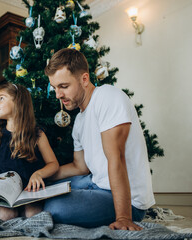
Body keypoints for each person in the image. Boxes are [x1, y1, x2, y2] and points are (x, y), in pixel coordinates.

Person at [43, 48, 155, 230]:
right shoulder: (79, 120)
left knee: (55, 207)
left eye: (63, 87)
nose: (58, 95)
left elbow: (116, 158)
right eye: (55, 88)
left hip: (128, 201)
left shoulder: (107, 97)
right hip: (95, 183)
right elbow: (80, 167)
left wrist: (124, 218)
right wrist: (41, 174)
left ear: (84, 79)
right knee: (43, 190)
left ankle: (124, 213)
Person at [0, 83, 59, 221]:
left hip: (29, 192)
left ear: (18, 102)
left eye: (1, 98)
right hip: (4, 193)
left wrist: (38, 174)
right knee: (5, 216)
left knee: (33, 215)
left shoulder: (37, 134)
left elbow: (53, 164)